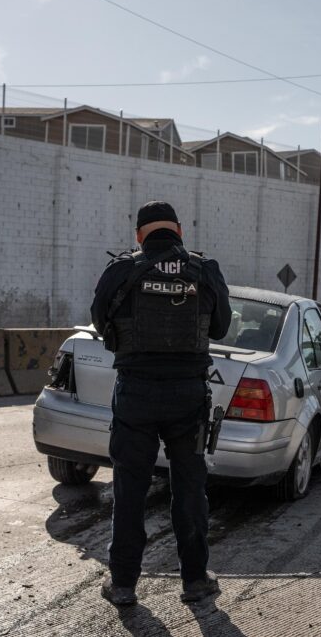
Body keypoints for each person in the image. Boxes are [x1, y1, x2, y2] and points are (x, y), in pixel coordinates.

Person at [90, 201, 230, 606]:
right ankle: (194, 581)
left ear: (139, 235)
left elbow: (101, 321)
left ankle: (123, 585)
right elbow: (220, 327)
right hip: (188, 395)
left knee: (129, 487)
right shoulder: (204, 270)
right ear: (180, 231)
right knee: (189, 487)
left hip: (135, 393)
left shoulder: (121, 270)